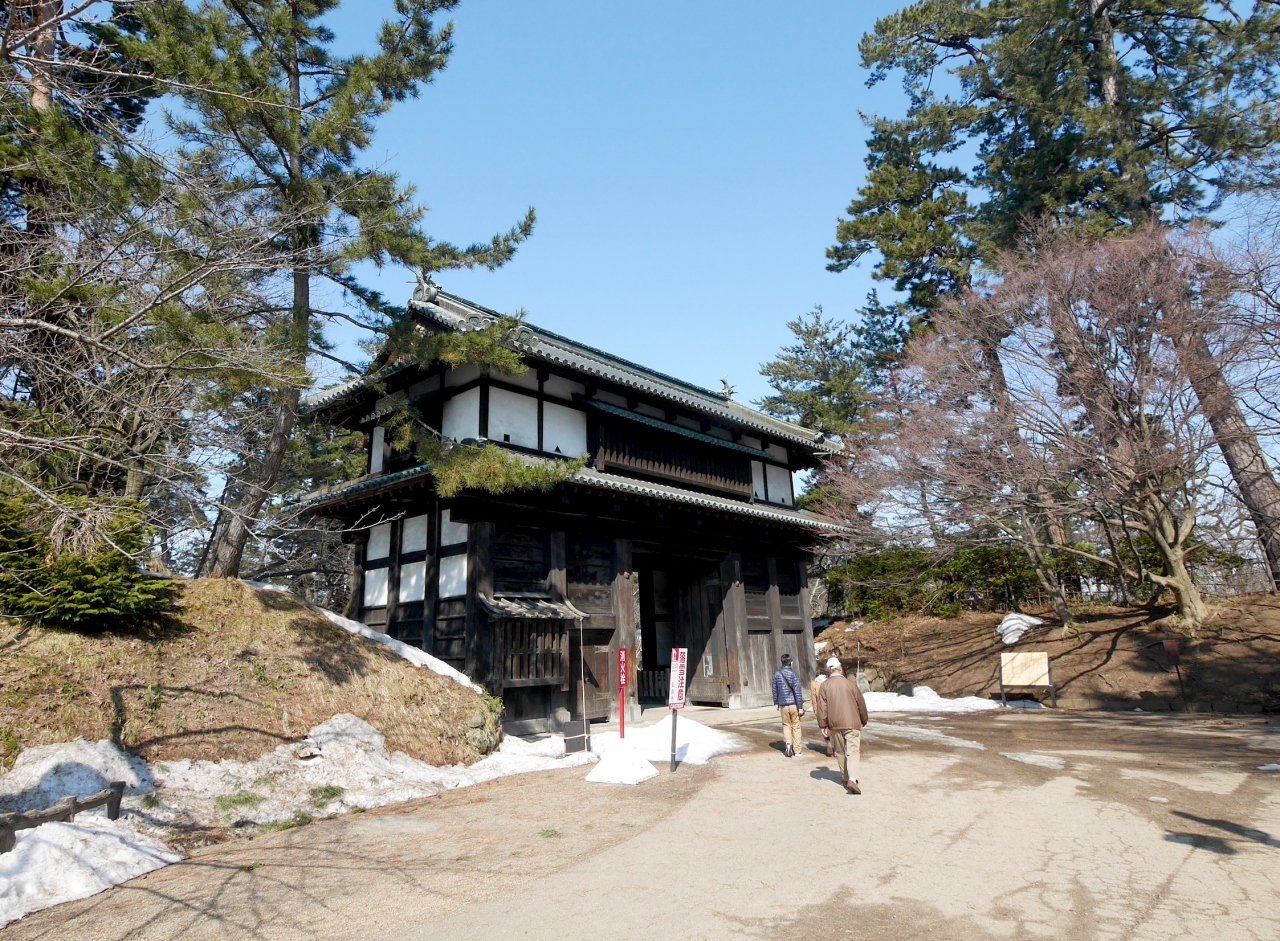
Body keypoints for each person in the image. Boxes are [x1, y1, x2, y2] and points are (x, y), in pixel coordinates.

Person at [816, 655, 869, 794]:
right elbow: (861, 704)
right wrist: (864, 719)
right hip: (852, 722)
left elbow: (822, 707)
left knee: (840, 752)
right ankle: (853, 779)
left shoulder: (824, 686)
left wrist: (823, 725)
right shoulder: (851, 684)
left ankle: (845, 778)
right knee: (853, 751)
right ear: (840, 669)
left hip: (834, 724)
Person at [771, 653, 805, 758]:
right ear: (791, 662)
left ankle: (788, 745)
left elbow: (774, 690)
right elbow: (797, 692)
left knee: (786, 725)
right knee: (796, 726)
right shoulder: (794, 674)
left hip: (783, 704)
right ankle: (797, 750)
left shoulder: (777, 674)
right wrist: (800, 707)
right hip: (794, 704)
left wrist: (776, 702)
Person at [810, 664, 833, 756]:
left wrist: (816, 711)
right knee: (833, 728)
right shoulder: (830, 681)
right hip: (831, 708)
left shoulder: (814, 683)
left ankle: (828, 743)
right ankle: (836, 748)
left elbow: (814, 699)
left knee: (823, 728)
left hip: (821, 709)